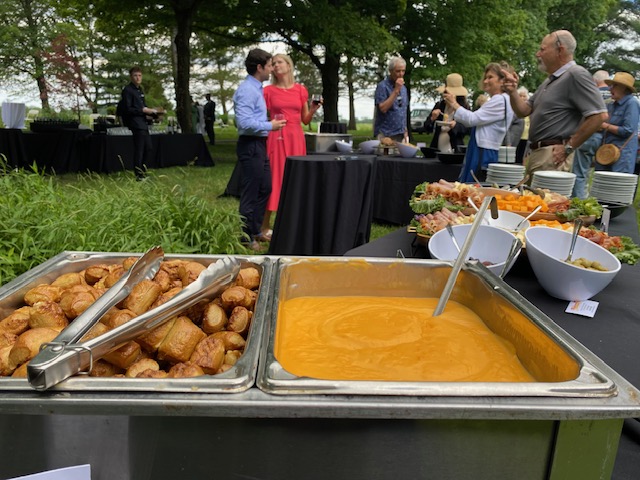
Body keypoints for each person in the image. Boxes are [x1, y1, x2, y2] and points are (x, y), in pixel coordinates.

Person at [502, 30, 607, 181]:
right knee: (533, 202)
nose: (538, 54)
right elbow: (523, 111)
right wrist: (512, 91)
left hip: (553, 157)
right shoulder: (551, 80)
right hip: (540, 155)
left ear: (560, 50)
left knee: (548, 204)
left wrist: (568, 148)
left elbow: (599, 116)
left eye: (543, 49)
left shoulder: (576, 74)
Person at [260, 53, 322, 240]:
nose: (276, 65)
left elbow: (304, 120)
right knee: (275, 178)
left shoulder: (300, 90)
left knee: (295, 178)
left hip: (296, 137)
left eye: (279, 62)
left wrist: (312, 110)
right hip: (277, 136)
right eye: (273, 63)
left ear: (288, 65)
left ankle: (293, 225)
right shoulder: (268, 91)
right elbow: (262, 116)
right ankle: (264, 227)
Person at [233, 48, 286, 251]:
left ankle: (255, 230)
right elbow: (244, 123)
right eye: (270, 65)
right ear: (259, 67)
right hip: (250, 144)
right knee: (251, 192)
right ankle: (246, 237)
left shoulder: (257, 89)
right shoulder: (247, 90)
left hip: (259, 144)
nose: (272, 69)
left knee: (265, 188)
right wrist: (269, 126)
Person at [443, 62, 514, 183]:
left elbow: (472, 119)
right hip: (483, 148)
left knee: (474, 184)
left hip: (483, 150)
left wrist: (454, 104)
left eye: (490, 77)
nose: (485, 81)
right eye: (485, 77)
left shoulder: (500, 100)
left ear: (502, 80)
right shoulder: (504, 99)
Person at [571, 70, 612, 198]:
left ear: (594, 81)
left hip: (588, 136)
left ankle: (579, 201)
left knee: (580, 172)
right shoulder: (613, 95)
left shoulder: (592, 93)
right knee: (597, 174)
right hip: (607, 139)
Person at [596, 72, 639, 174]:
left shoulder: (632, 103)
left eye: (614, 86)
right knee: (601, 182)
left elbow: (628, 130)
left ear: (624, 88)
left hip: (623, 154)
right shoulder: (611, 104)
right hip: (606, 151)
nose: (610, 89)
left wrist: (605, 126)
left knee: (617, 185)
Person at [120, 66, 159, 180]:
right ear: (131, 77)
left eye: (139, 75)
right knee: (140, 149)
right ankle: (139, 175)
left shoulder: (139, 90)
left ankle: (143, 172)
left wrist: (153, 114)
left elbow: (143, 107)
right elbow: (127, 109)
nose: (138, 78)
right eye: (135, 76)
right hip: (135, 124)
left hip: (143, 123)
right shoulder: (127, 90)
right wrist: (142, 110)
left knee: (149, 148)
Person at [425, 73, 469, 153]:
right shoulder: (440, 105)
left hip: (454, 146)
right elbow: (427, 127)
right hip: (437, 146)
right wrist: (432, 118)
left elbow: (467, 128)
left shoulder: (463, 107)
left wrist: (456, 126)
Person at [374, 56, 408, 142]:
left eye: (403, 71)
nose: (401, 74)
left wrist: (405, 129)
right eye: (397, 71)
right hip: (386, 133)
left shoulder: (403, 88)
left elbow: (403, 110)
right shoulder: (383, 86)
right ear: (390, 71)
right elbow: (383, 108)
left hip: (401, 133)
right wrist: (396, 90)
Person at [514, 87, 530, 164]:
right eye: (520, 96)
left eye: (524, 96)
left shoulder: (530, 110)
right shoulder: (514, 110)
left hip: (527, 139)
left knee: (523, 159)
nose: (523, 98)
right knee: (515, 159)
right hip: (516, 138)